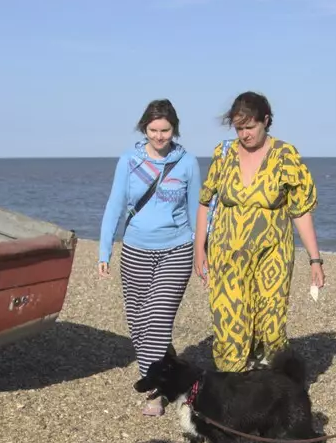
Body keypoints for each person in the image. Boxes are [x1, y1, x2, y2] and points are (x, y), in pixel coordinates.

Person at [194, 92, 323, 372]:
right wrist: (198, 250)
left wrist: (315, 260)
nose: (244, 134)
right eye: (239, 128)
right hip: (226, 256)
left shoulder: (286, 156)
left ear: (266, 120)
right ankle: (234, 389)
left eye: (250, 127)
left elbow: (300, 210)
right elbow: (205, 202)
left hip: (272, 254)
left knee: (271, 325)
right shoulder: (224, 153)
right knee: (231, 326)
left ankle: (278, 384)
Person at [97, 99, 202, 415]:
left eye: (165, 130)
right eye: (153, 130)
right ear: (144, 128)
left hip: (177, 248)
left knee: (156, 319)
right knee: (138, 323)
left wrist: (202, 252)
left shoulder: (187, 163)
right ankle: (165, 361)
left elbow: (199, 210)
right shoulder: (129, 161)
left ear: (175, 129)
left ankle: (156, 389)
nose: (159, 136)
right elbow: (115, 205)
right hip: (135, 251)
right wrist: (105, 250)